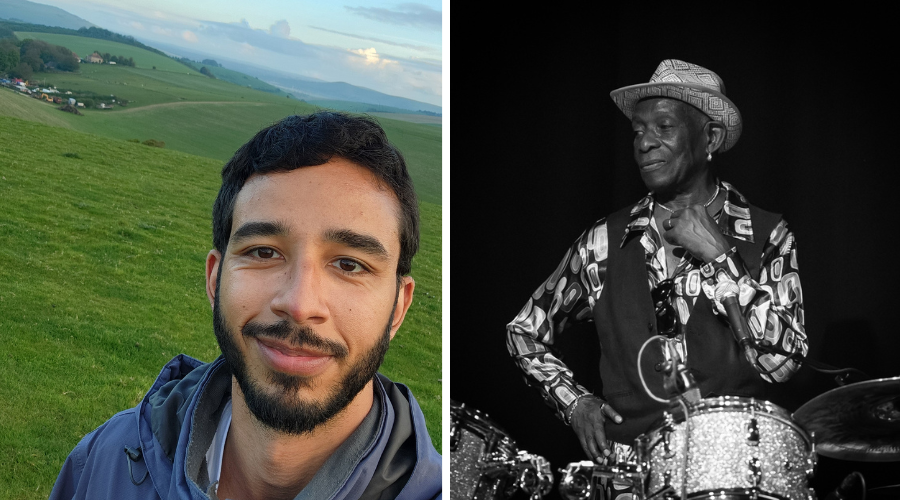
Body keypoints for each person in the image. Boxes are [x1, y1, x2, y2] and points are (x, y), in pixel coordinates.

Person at [50, 112, 442, 500]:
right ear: (214, 279)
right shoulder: (106, 460)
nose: (299, 304)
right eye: (264, 252)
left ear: (398, 307)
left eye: (350, 264)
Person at [506, 59, 808, 473]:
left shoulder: (767, 234)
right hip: (630, 478)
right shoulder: (603, 242)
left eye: (663, 127)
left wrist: (721, 258)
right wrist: (574, 403)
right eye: (638, 131)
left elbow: (783, 363)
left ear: (711, 138)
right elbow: (525, 332)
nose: (644, 143)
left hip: (732, 473)